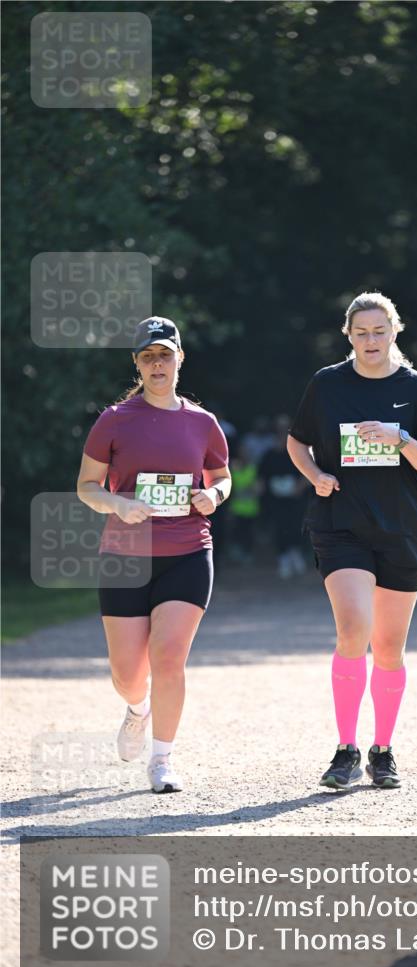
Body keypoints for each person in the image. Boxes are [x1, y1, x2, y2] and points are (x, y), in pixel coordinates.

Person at [286, 291, 417, 790]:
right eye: (361, 332)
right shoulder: (328, 384)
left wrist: (399, 439)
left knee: (388, 646)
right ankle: (345, 749)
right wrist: (316, 474)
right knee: (353, 629)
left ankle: (382, 750)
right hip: (341, 524)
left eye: (379, 330)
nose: (370, 340)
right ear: (348, 336)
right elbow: (297, 441)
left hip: (404, 528)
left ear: (395, 331)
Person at [76, 316, 231, 793]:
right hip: (125, 554)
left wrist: (215, 497)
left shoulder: (202, 423)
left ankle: (162, 760)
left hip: (187, 551)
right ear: (137, 364)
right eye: (148, 357)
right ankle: (137, 708)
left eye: (165, 355)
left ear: (180, 359)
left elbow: (222, 476)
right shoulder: (115, 420)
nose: (157, 364)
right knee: (127, 673)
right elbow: (86, 486)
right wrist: (118, 503)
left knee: (168, 658)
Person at [257, 415, 308, 579]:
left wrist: (300, 487)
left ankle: (296, 555)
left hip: (295, 498)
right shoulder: (269, 455)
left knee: (297, 525)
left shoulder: (300, 453)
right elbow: (261, 478)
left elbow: (308, 473)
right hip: (276, 499)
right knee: (280, 527)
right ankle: (283, 558)